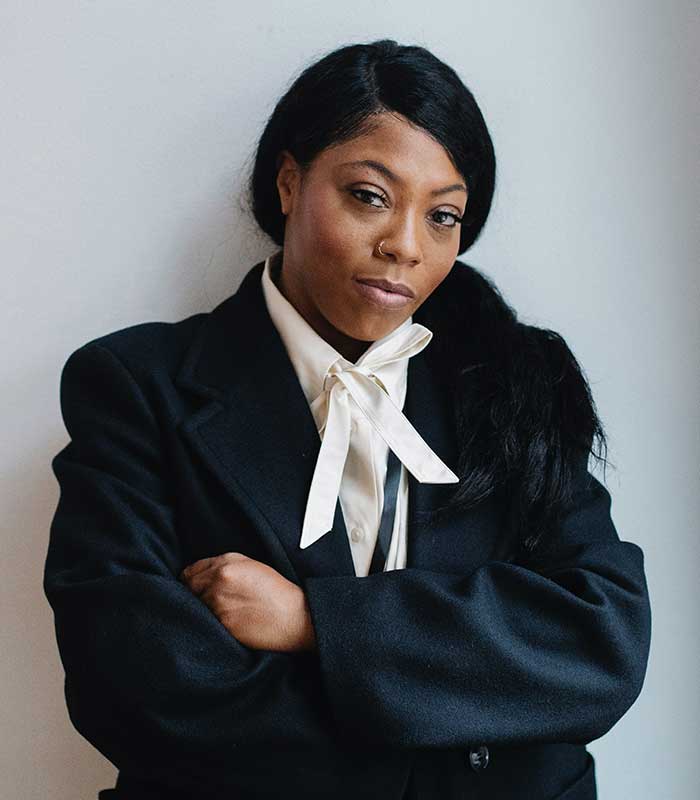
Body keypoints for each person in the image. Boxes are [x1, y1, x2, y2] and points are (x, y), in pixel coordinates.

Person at [43, 38, 651, 800]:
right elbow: (134, 688)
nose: (405, 246)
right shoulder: (136, 386)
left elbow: (600, 645)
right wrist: (459, 716)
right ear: (289, 182)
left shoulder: (518, 380)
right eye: (370, 196)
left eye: (443, 215)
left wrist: (313, 623)